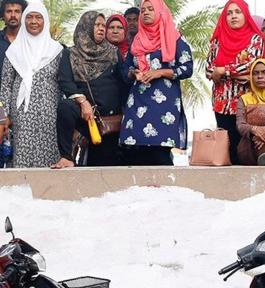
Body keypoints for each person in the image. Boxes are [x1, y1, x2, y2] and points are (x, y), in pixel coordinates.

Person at [120, 0, 192, 166]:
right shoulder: (138, 39)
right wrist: (134, 73)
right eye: (143, 10)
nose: (145, 12)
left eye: (150, 9)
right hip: (138, 102)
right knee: (136, 151)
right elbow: (127, 68)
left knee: (160, 154)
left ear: (160, 12)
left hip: (163, 105)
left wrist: (160, 72)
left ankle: (165, 191)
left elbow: (187, 68)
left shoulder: (174, 38)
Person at [53, 11, 126, 168]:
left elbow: (123, 82)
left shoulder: (113, 52)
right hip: (84, 117)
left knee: (101, 167)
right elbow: (65, 81)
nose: (101, 28)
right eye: (96, 25)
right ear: (85, 27)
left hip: (108, 121)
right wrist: (83, 101)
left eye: (102, 25)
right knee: (66, 107)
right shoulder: (71, 54)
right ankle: (66, 157)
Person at [0, 2, 63, 168]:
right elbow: (6, 86)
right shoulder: (14, 51)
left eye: (38, 17)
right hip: (21, 115)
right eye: (29, 17)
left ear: (45, 21)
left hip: (49, 114)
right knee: (21, 158)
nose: (33, 21)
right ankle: (21, 193)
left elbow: (63, 83)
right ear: (24, 21)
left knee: (49, 159)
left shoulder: (57, 50)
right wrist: (3, 117)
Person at [206, 0, 265, 165]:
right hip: (222, 103)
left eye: (237, 12)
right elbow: (208, 69)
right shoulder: (217, 41)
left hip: (246, 102)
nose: (233, 16)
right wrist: (230, 72)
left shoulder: (255, 39)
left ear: (245, 15)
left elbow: (253, 64)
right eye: (229, 13)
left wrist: (223, 71)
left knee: (246, 147)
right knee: (227, 146)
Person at [0, 0, 27, 78]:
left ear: (23, 15)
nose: (13, 15)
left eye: (17, 11)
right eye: (9, 11)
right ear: (3, 15)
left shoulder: (31, 41)